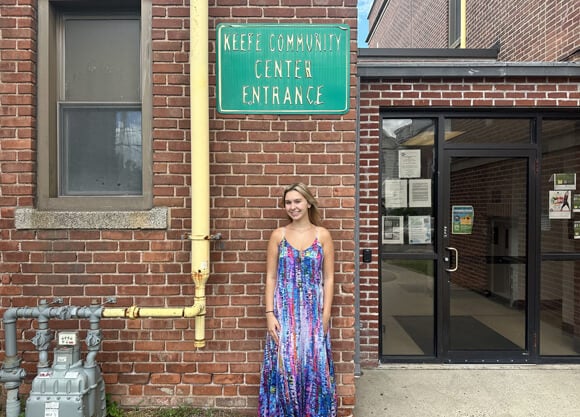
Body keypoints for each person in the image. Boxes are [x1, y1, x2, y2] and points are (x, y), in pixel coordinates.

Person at [258, 183, 337, 417]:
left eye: (297, 201)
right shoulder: (278, 236)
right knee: (285, 366)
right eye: (288, 202)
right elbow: (271, 277)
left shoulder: (322, 235)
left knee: (313, 365)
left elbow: (329, 279)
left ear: (308, 202)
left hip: (313, 312)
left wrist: (325, 316)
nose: (293, 207)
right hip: (284, 312)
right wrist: (269, 313)